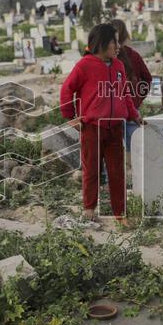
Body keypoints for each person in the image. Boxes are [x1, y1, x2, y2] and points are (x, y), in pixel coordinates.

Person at [60, 23, 143, 224]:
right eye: (115, 41)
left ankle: (119, 214)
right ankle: (89, 210)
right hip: (92, 128)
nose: (118, 46)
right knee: (92, 171)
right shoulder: (84, 66)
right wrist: (70, 116)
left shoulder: (119, 66)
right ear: (103, 43)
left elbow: (125, 95)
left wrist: (134, 116)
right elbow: (66, 89)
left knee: (117, 172)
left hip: (115, 128)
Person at [112, 19, 152, 150]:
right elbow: (147, 79)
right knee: (134, 152)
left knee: (113, 153)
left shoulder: (105, 57)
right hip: (131, 110)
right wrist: (138, 98)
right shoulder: (133, 55)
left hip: (111, 112)